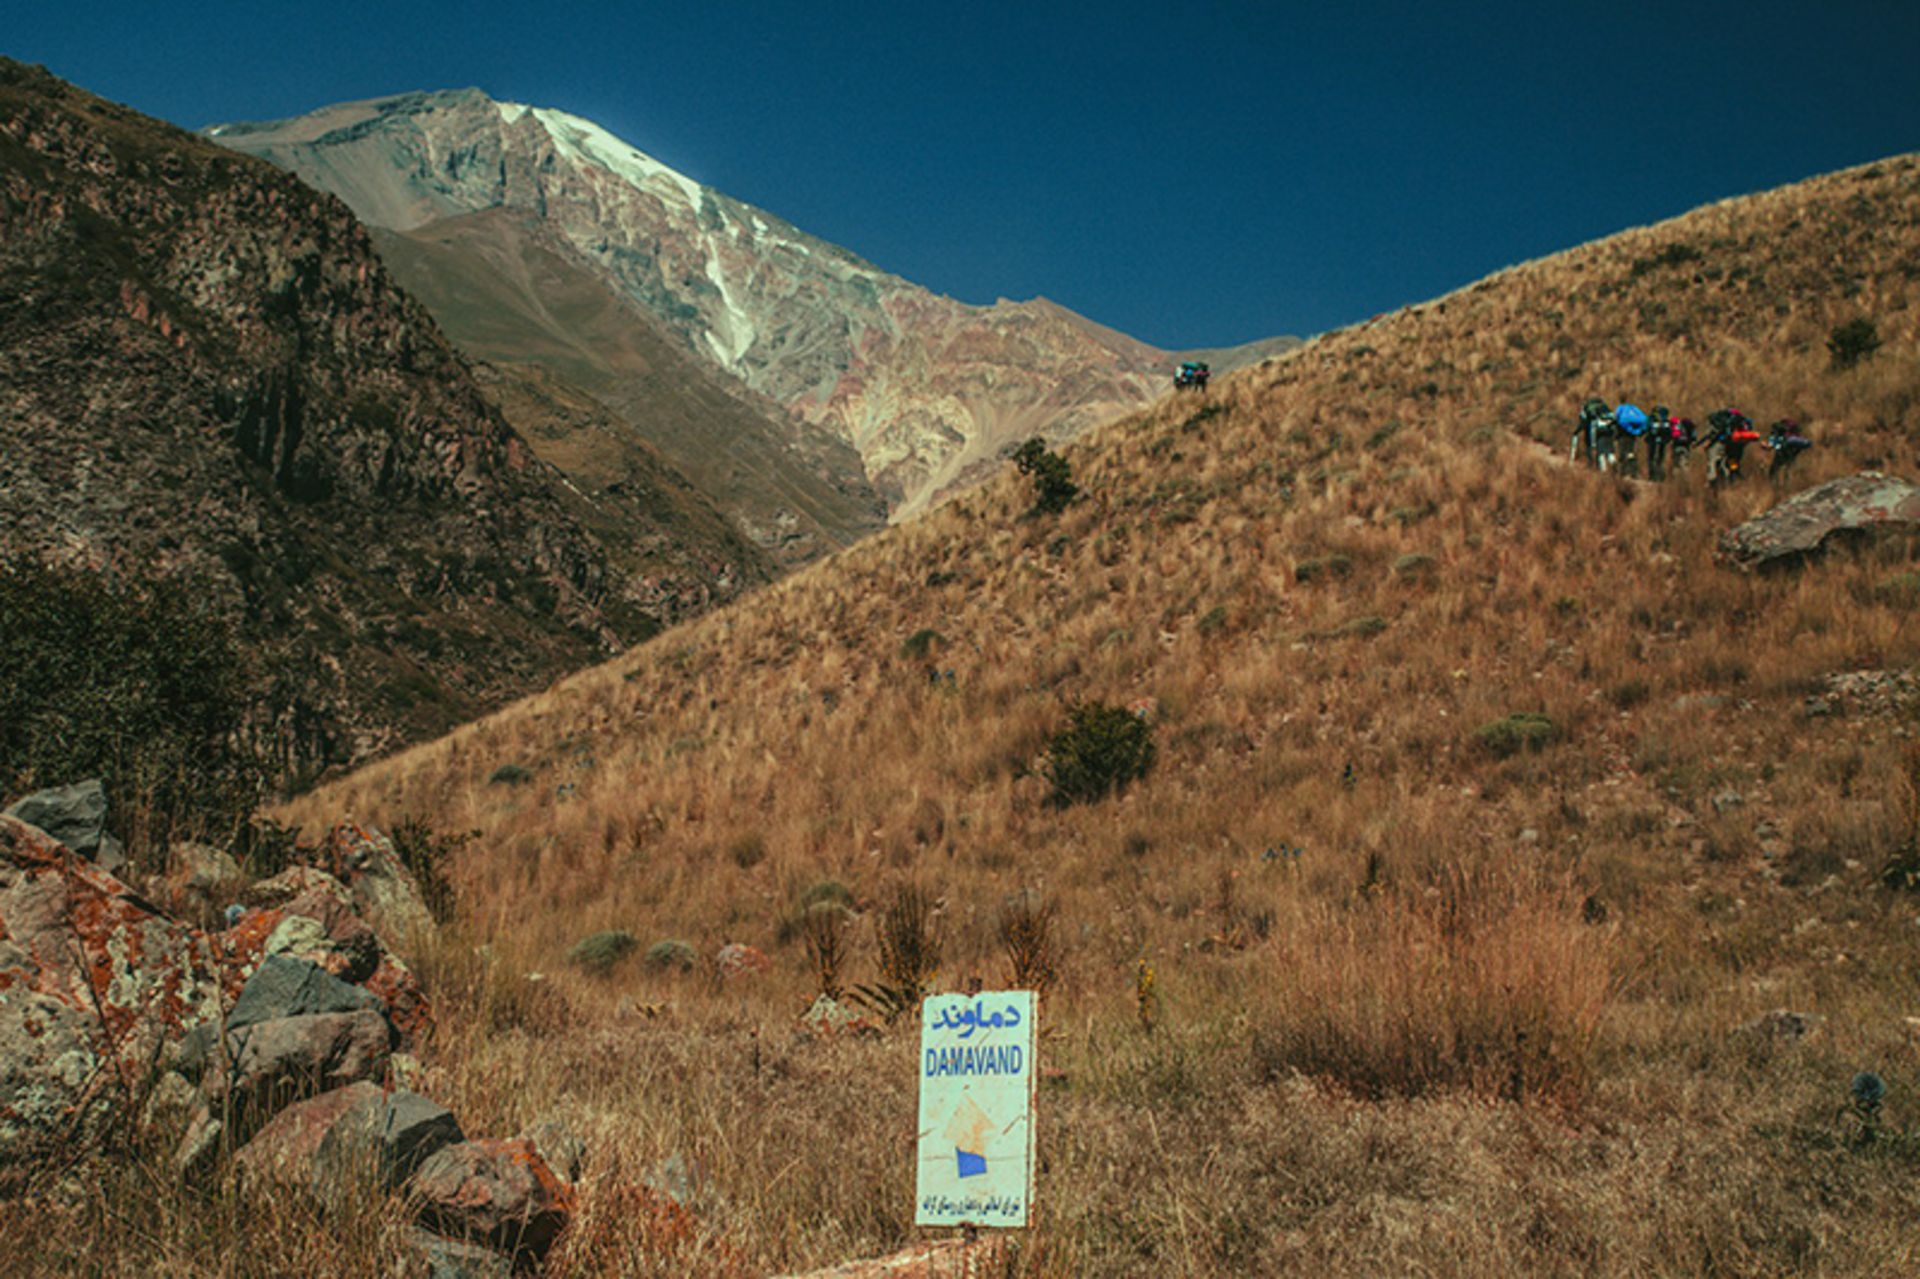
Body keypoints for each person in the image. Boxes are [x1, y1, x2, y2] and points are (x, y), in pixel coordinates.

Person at [1766, 420, 1813, 484]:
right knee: (1787, 470)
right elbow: (1808, 444)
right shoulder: (1793, 438)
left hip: (1783, 455)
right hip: (1789, 454)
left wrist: (1764, 446)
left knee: (1774, 471)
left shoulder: (1778, 437)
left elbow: (1770, 446)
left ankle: (1777, 486)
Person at [1614, 402, 1648, 479]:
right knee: (1631, 453)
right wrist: (1637, 432)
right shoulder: (1634, 409)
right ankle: (1633, 473)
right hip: (1632, 436)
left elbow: (1616, 420)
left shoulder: (1620, 409)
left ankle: (1623, 473)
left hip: (1622, 435)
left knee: (1623, 453)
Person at [1726, 413, 1761, 483]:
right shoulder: (1740, 434)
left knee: (1733, 469)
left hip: (1732, 453)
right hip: (1735, 453)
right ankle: (1738, 480)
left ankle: (1737, 480)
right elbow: (1756, 435)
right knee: (1734, 468)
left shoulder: (1736, 434)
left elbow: (1755, 436)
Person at [1704, 410, 1736, 486]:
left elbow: (1709, 435)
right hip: (1726, 444)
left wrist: (1708, 444)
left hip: (1715, 445)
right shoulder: (1727, 425)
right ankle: (1727, 477)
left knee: (1712, 461)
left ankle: (1711, 480)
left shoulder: (1713, 425)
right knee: (1723, 462)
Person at [1646, 406, 1673, 481]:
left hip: (1653, 441)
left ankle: (1652, 476)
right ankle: (1661, 476)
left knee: (1651, 458)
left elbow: (1647, 428)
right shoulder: (1665, 421)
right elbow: (1669, 432)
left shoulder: (1652, 418)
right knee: (1660, 458)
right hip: (1663, 441)